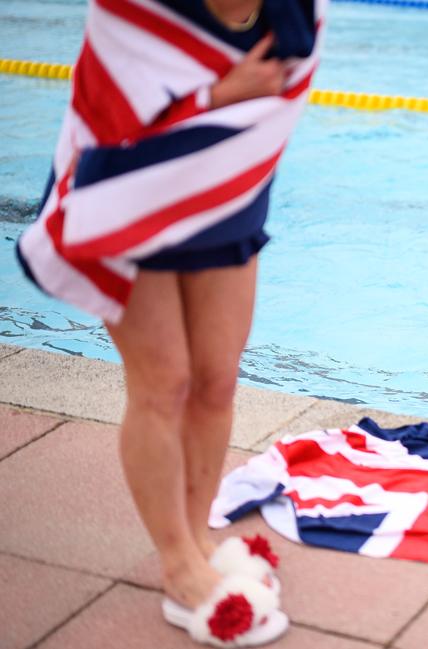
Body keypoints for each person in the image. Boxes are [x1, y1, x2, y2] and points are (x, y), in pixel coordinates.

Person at [15, 0, 323, 645]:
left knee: (216, 381)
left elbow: (285, 95)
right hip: (127, 192)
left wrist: (230, 112)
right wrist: (217, 93)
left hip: (223, 194)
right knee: (164, 384)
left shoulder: (293, 12)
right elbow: (105, 115)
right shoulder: (132, 12)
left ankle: (198, 537)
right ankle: (178, 564)